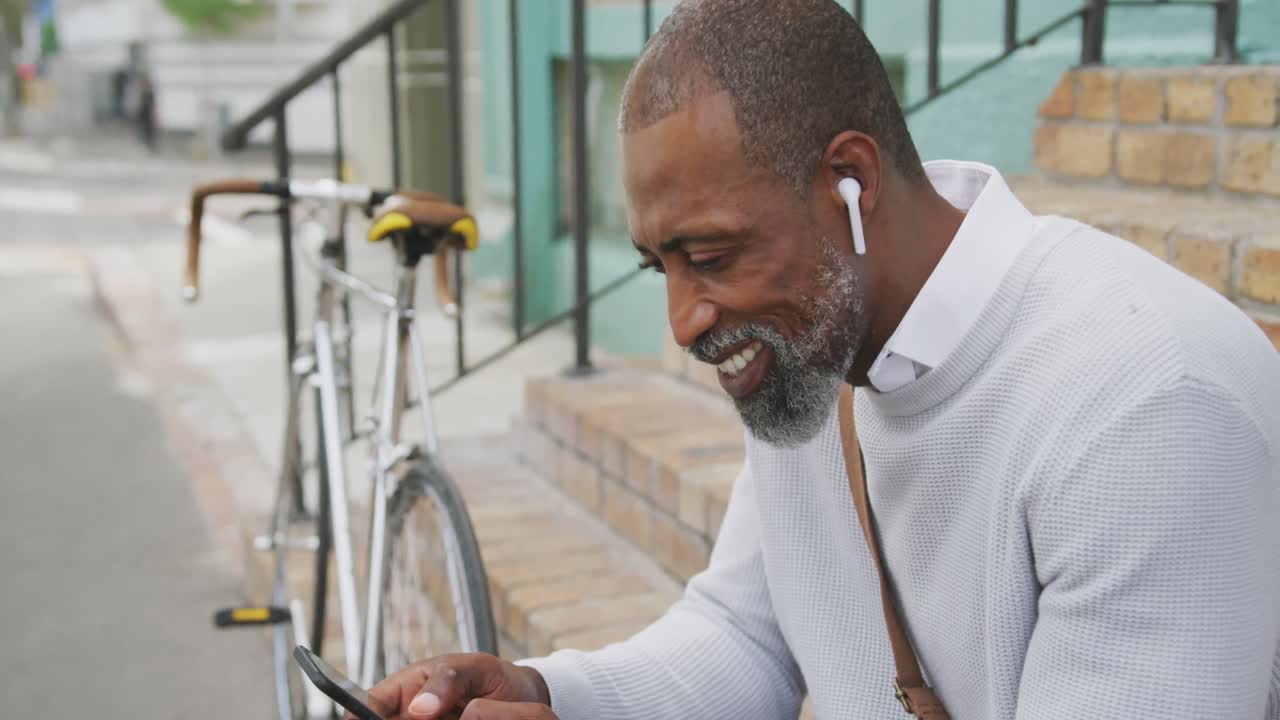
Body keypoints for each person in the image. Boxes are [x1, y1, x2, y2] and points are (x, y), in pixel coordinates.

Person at [363, 0, 1280, 717]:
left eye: (711, 258)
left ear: (853, 181)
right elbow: (747, 639)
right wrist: (554, 698)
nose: (683, 322)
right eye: (661, 267)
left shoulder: (1148, 407)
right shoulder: (819, 349)